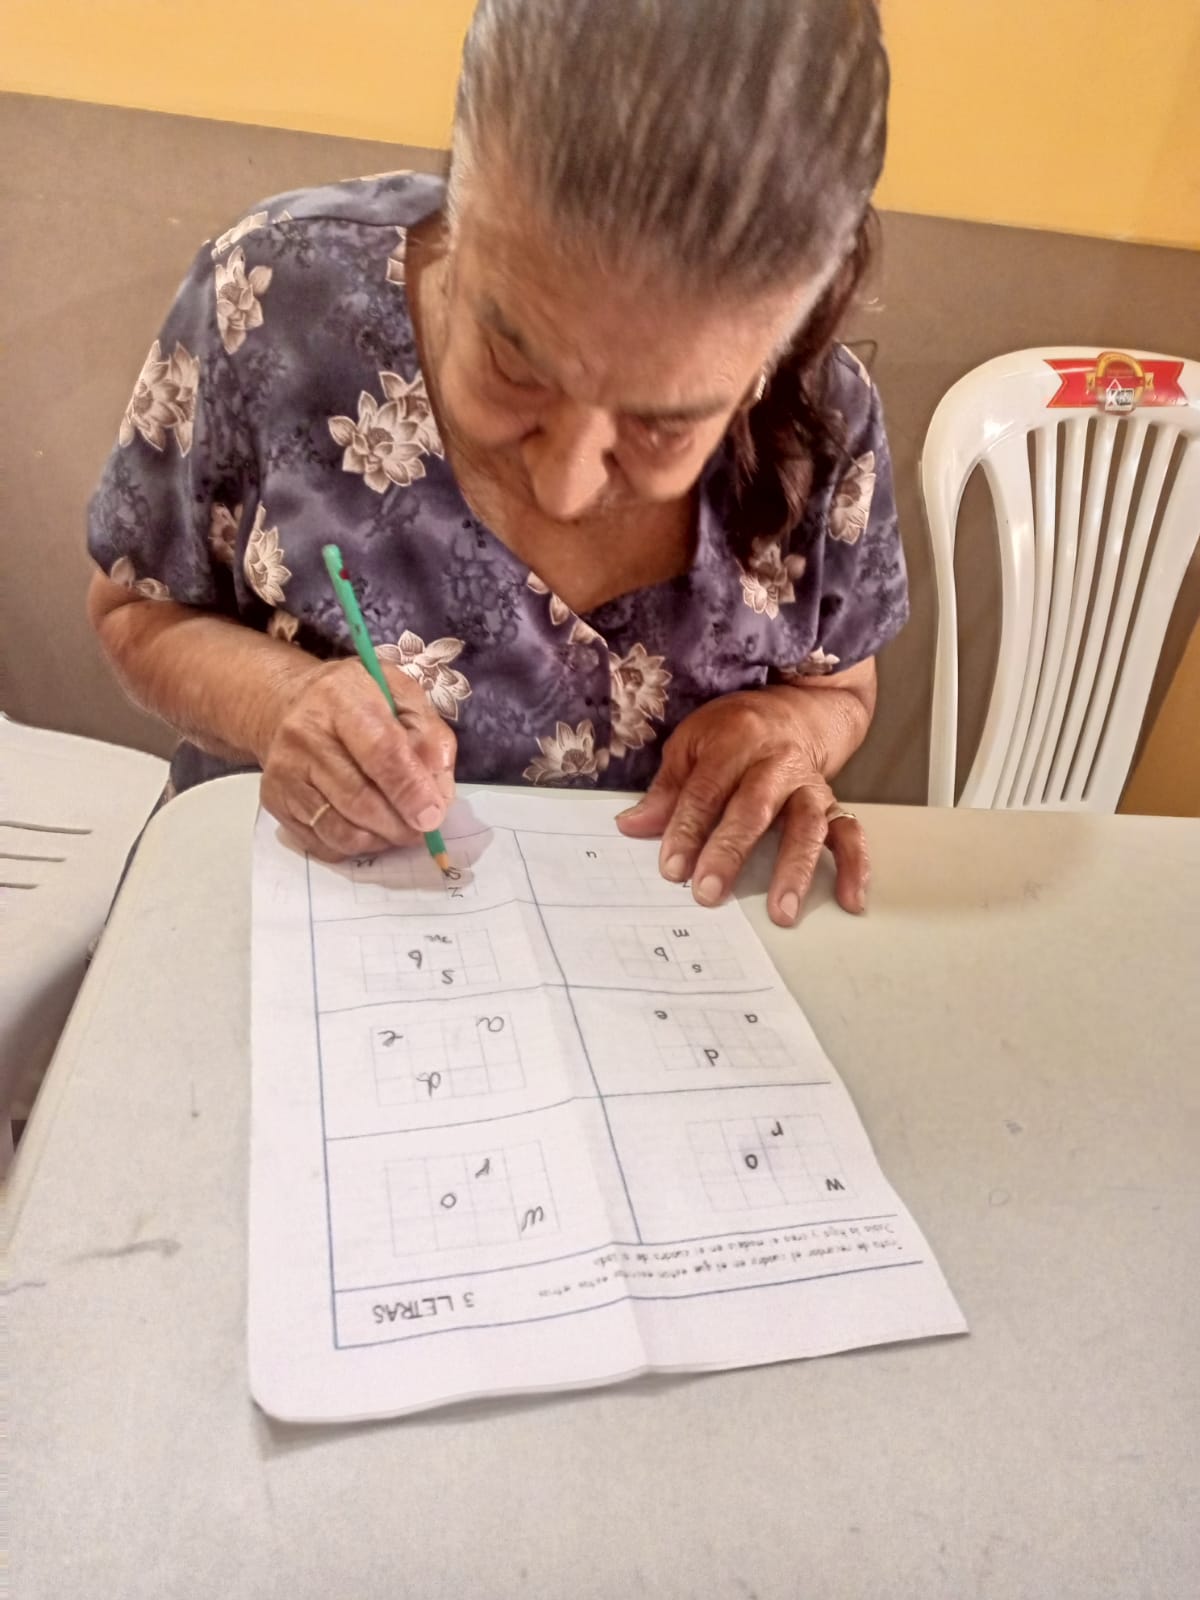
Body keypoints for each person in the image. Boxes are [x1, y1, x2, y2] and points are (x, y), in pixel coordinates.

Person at [86, 0, 906, 928]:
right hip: (285, 928)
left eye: (663, 426)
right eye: (515, 366)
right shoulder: (276, 299)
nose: (566, 484)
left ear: (773, 352)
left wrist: (783, 730)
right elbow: (134, 607)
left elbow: (840, 684)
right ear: (458, 210)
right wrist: (284, 702)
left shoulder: (822, 426)